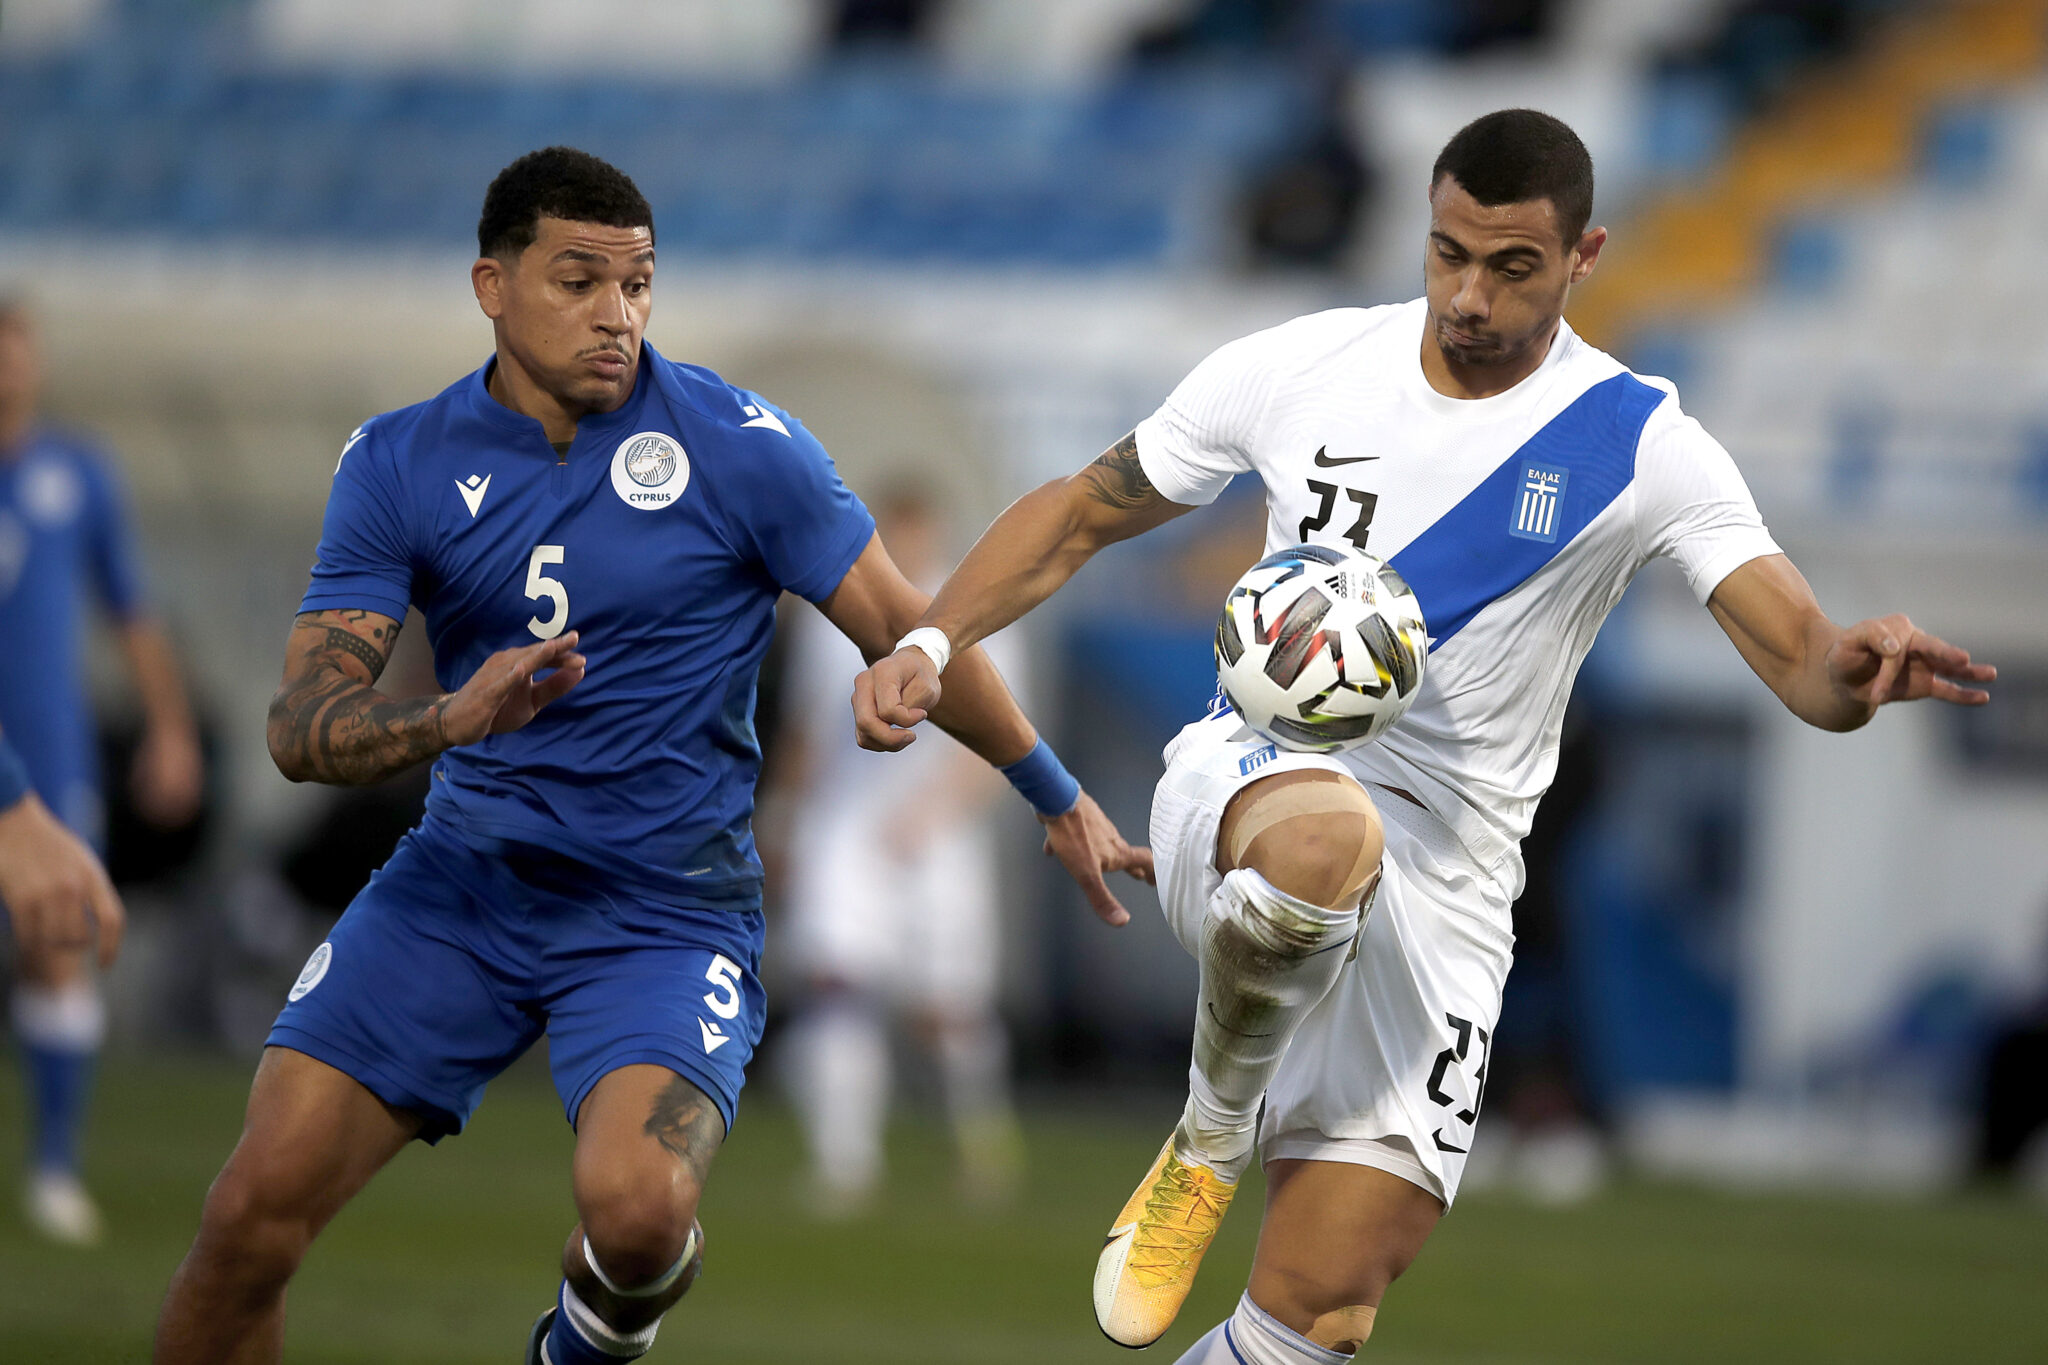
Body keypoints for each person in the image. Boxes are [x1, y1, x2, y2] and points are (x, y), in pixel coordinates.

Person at [853, 109, 1995, 1361]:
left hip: (1450, 893)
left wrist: (1853, 671)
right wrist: (929, 642)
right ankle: (1211, 1130)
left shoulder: (1636, 444)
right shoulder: (1302, 366)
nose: (1467, 296)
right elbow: (1081, 512)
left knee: (1316, 1314)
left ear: (1583, 257)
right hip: (1252, 785)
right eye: (1447, 254)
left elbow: (1800, 660)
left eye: (1510, 267)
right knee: (1325, 841)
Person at [150, 146, 1150, 1365]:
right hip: (459, 888)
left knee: (637, 1216)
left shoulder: (741, 447)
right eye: (578, 282)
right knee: (246, 1221)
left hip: (661, 914)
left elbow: (909, 625)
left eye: (636, 285)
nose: (615, 315)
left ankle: (580, 1341)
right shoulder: (399, 460)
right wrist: (450, 719)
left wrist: (1051, 791)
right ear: (492, 285)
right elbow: (300, 726)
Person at [0, 300, 203, 1244]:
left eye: (17, 351)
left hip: (48, 751)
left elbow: (131, 610)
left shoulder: (76, 473)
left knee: (57, 943)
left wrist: (170, 726)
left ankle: (54, 1164)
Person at [775, 487, 1024, 1215]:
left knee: (949, 1010)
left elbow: (1002, 743)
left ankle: (981, 1143)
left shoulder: (981, 620)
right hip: (846, 831)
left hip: (935, 840)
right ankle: (844, 1163)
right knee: (837, 986)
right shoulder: (830, 619)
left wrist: (931, 814)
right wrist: (784, 819)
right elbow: (806, 731)